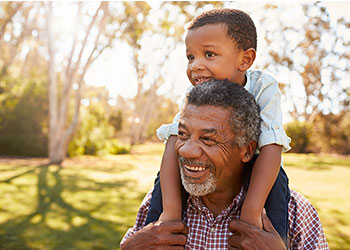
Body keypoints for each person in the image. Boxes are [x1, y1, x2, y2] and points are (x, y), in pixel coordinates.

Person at [120, 80, 328, 249]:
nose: (185, 150)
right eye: (182, 135)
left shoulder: (296, 213)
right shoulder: (158, 203)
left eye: (208, 139)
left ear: (247, 150)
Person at [146, 8, 291, 244]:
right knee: (163, 182)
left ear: (245, 59)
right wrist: (170, 211)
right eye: (190, 57)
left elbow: (272, 147)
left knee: (278, 184)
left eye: (209, 54)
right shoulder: (193, 95)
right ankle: (153, 240)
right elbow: (174, 141)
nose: (195, 66)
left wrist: (251, 213)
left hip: (256, 164)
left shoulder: (263, 87)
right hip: (205, 169)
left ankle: (271, 241)